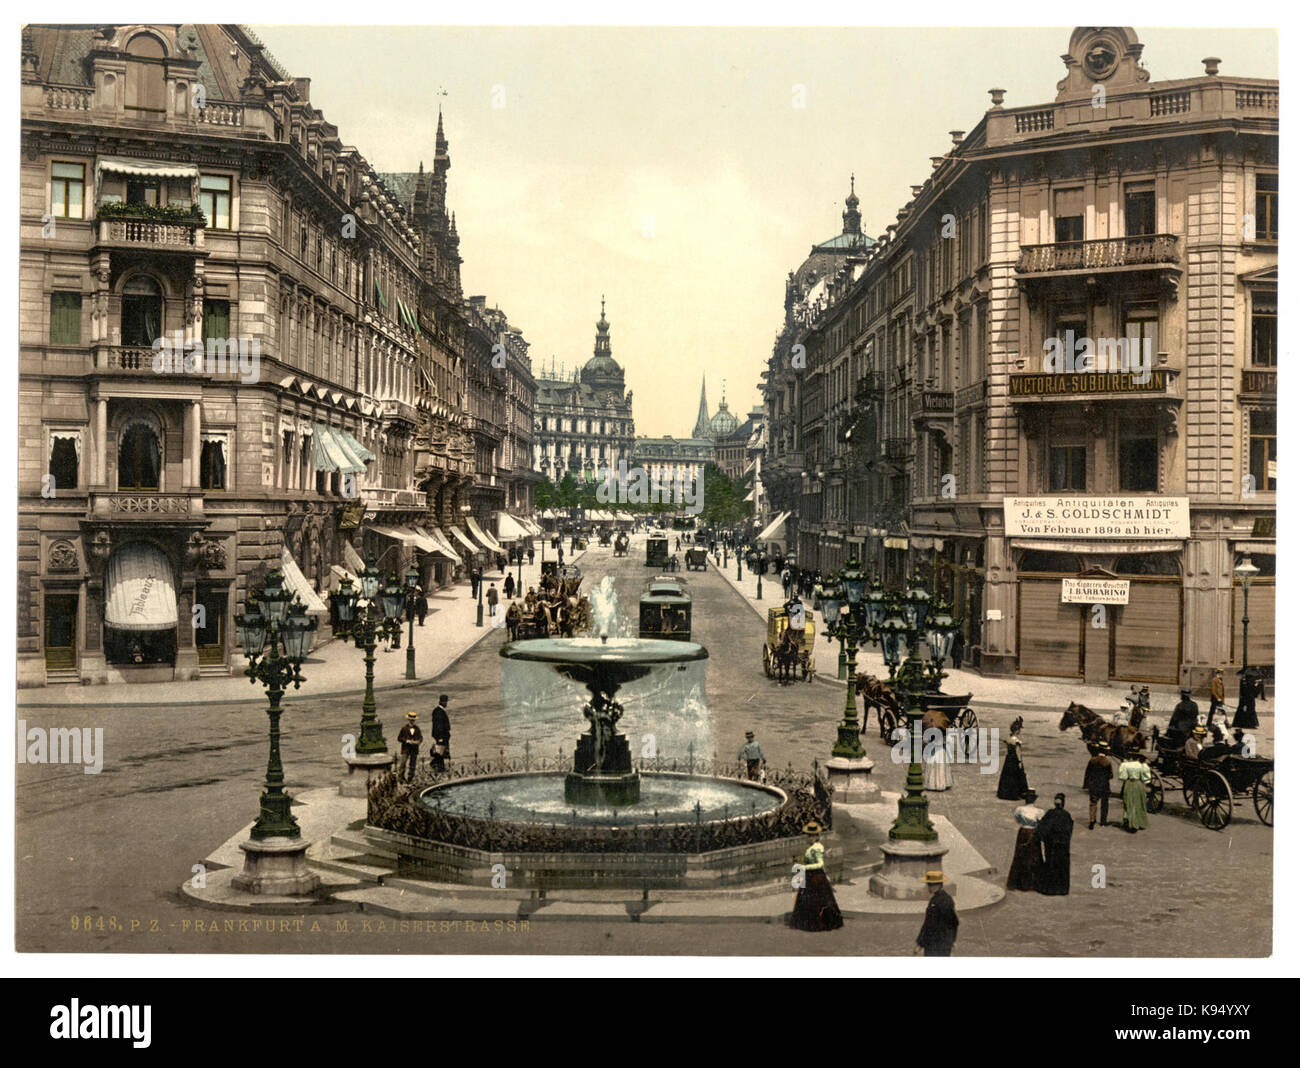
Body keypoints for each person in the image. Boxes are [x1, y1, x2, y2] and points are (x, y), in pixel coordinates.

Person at [788, 821, 843, 932]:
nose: (806, 838)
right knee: (810, 898)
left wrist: (804, 867)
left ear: (814, 837)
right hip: (811, 875)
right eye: (807, 835)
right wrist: (801, 860)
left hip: (816, 876)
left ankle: (815, 923)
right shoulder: (813, 847)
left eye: (808, 836)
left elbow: (819, 864)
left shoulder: (817, 848)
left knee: (815, 899)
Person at [1035, 793, 1073, 895]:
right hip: (1063, 846)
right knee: (1062, 867)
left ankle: (1050, 889)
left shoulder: (1050, 814)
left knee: (1051, 865)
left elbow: (1043, 829)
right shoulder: (1067, 815)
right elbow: (1069, 831)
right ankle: (1062, 889)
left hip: (1051, 845)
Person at [1007, 790, 1045, 891]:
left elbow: (1017, 820)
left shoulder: (1019, 809)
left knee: (1021, 855)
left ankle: (1020, 882)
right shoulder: (1040, 811)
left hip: (1023, 832)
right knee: (1034, 856)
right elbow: (1041, 823)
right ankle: (1034, 883)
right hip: (1033, 832)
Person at [915, 871, 959, 956]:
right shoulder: (942, 898)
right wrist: (952, 940)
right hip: (940, 943)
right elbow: (954, 922)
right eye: (928, 884)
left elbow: (929, 925)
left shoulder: (940, 901)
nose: (928, 887)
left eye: (930, 884)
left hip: (937, 945)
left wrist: (920, 944)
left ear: (938, 885)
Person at [1117, 749, 1151, 832]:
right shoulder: (1142, 766)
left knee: (1129, 802)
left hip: (1129, 784)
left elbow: (1122, 777)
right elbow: (1147, 779)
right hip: (1138, 784)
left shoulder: (1125, 765)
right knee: (1139, 802)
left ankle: (1130, 822)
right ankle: (1139, 822)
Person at [996, 717, 1030, 801]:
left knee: (1007, 776)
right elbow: (1018, 752)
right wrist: (1019, 762)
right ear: (1017, 730)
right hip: (1014, 759)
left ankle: (1005, 793)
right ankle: (1018, 793)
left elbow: (1007, 747)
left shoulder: (1009, 739)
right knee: (1018, 775)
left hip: (1008, 760)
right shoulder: (1016, 740)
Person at [1084, 743, 1113, 829]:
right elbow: (1110, 775)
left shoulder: (1092, 760)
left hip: (1093, 785)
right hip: (1104, 786)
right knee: (1104, 804)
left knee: (1093, 803)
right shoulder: (1107, 762)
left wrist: (1086, 785)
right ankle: (1103, 821)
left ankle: (1092, 820)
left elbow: (1087, 774)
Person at [396, 711, 422, 781]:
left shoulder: (417, 729)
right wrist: (406, 741)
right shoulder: (404, 728)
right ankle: (401, 778)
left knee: (412, 764)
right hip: (406, 748)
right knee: (403, 763)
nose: (412, 721)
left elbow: (420, 738)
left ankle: (410, 778)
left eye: (413, 720)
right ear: (408, 720)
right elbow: (399, 738)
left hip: (414, 749)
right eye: (411, 720)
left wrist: (417, 742)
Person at [430, 695, 452, 772]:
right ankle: (437, 765)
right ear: (442, 702)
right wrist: (440, 737)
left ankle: (440, 766)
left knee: (441, 751)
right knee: (440, 751)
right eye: (445, 702)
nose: (446, 704)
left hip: (442, 735)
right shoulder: (439, 711)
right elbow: (438, 725)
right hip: (441, 735)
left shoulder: (439, 710)